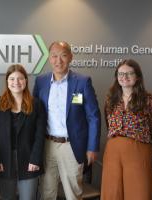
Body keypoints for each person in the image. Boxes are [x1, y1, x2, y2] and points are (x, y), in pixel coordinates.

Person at [33, 41, 101, 200]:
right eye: (54, 56)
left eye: (63, 55)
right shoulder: (41, 82)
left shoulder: (83, 82)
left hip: (72, 146)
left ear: (70, 57)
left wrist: (92, 147)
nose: (59, 60)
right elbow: (35, 114)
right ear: (49, 59)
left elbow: (94, 116)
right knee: (46, 191)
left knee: (73, 193)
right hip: (47, 145)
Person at [101, 59, 152, 200]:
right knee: (112, 193)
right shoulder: (111, 100)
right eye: (121, 74)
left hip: (139, 150)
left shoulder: (150, 101)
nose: (125, 77)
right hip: (112, 151)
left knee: (139, 193)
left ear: (138, 76)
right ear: (116, 77)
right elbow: (108, 124)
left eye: (129, 73)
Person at [0, 64, 46, 200]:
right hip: (4, 161)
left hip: (29, 160)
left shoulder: (36, 105)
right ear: (7, 81)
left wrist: (35, 159)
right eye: (12, 79)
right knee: (7, 197)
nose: (16, 82)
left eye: (20, 78)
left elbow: (39, 135)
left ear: (26, 80)